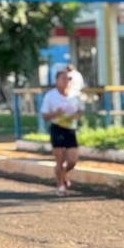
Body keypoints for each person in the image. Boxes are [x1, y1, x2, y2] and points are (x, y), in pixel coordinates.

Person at [40, 67, 82, 195]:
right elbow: (44, 115)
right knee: (59, 159)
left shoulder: (75, 95)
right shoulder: (50, 96)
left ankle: (63, 174)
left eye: (68, 78)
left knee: (72, 160)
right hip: (57, 128)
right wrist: (55, 114)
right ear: (56, 80)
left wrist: (76, 115)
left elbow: (80, 110)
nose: (66, 81)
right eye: (63, 78)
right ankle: (60, 186)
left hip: (70, 129)